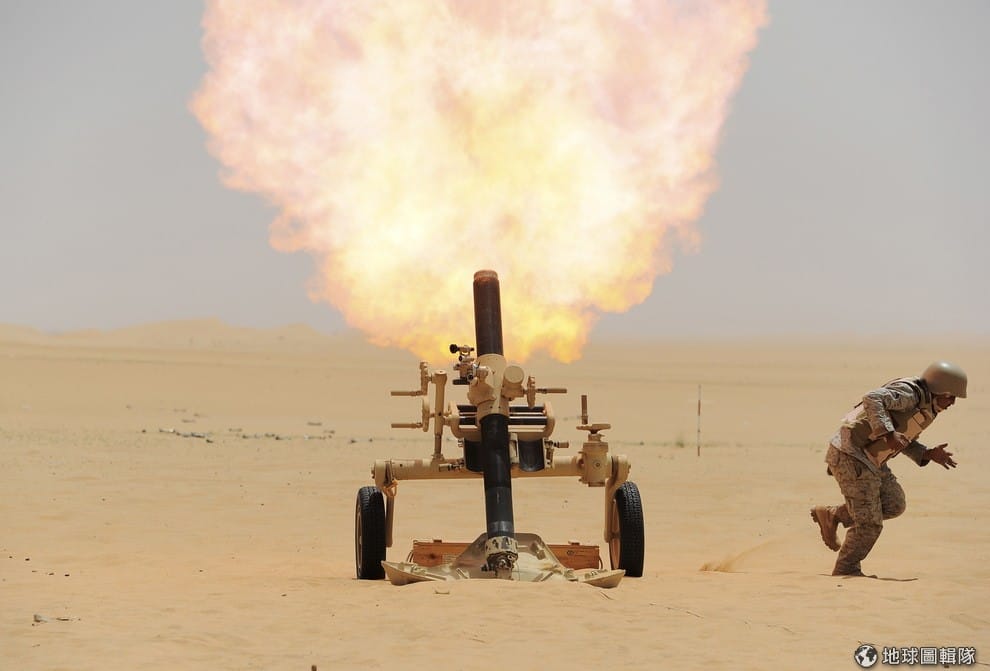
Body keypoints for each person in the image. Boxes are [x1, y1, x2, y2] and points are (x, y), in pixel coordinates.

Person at [810, 361, 967, 576]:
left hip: (871, 459)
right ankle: (847, 568)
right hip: (851, 455)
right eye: (951, 396)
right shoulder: (910, 394)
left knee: (893, 503)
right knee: (870, 524)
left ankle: (833, 515)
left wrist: (927, 453)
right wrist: (888, 433)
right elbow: (872, 398)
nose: (952, 403)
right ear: (940, 389)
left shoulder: (925, 405)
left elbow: (902, 436)